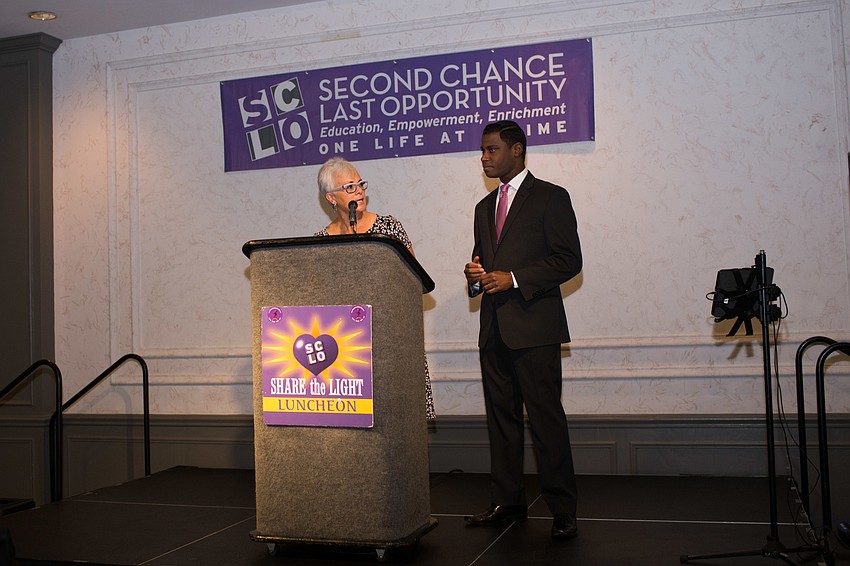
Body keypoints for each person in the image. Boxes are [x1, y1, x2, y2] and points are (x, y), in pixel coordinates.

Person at [463, 121, 582, 540]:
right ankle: (508, 501)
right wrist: (475, 276)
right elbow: (483, 265)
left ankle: (563, 509)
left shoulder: (551, 197)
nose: (484, 157)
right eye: (483, 150)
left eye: (492, 150)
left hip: (534, 329)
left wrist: (513, 278)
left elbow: (569, 261)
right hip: (494, 330)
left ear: (517, 150)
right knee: (501, 421)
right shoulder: (483, 208)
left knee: (546, 421)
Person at [315, 156, 436, 421]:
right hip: (346, 344)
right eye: (349, 187)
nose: (358, 190)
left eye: (360, 183)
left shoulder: (388, 228)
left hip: (391, 338)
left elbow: (415, 281)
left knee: (398, 419)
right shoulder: (320, 242)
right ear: (331, 198)